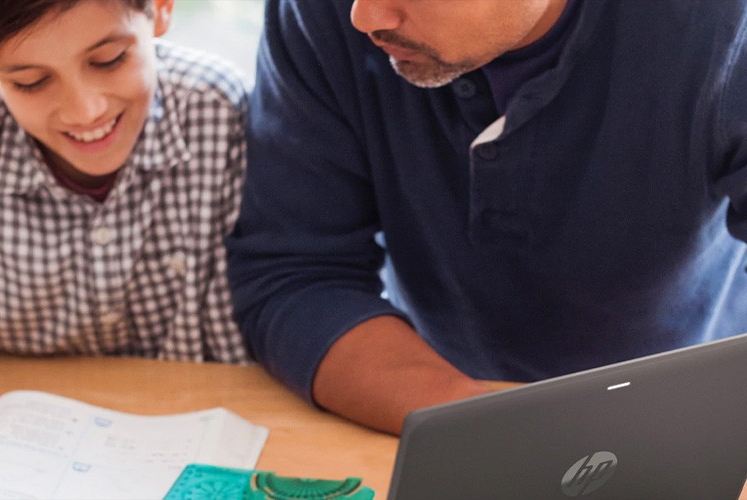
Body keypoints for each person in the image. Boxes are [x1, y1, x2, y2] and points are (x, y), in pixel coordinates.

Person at [226, 0, 747, 434]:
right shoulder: (318, 12)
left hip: (685, 420)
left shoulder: (727, 25)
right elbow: (297, 274)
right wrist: (484, 427)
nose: (363, 17)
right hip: (414, 409)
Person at [0, 0, 249, 362]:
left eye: (109, 60)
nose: (85, 111)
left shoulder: (223, 115)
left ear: (161, 8)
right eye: (31, 82)